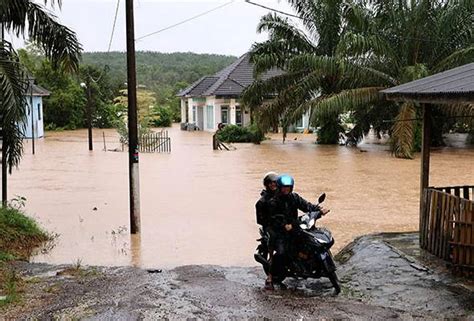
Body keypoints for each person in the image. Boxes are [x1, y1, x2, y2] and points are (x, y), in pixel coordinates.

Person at [264, 174, 329, 290]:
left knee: (308, 240)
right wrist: (283, 225)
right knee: (282, 251)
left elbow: (306, 205)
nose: (286, 189)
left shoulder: (294, 197)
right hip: (280, 230)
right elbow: (273, 218)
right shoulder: (273, 201)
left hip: (295, 226)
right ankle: (270, 275)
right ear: (279, 187)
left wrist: (319, 209)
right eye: (284, 187)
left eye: (288, 187)